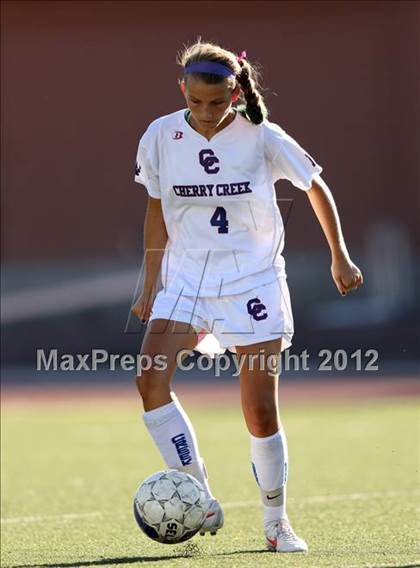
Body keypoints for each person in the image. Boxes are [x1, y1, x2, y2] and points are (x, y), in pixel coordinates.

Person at [132, 40, 363, 553]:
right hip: (188, 281)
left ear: (234, 93)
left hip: (252, 282)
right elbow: (154, 208)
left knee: (259, 410)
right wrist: (151, 283)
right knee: (150, 379)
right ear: (182, 92)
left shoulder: (263, 136)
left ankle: (276, 523)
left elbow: (315, 187)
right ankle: (201, 498)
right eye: (195, 103)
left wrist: (338, 256)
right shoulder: (159, 136)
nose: (206, 113)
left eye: (216, 103)